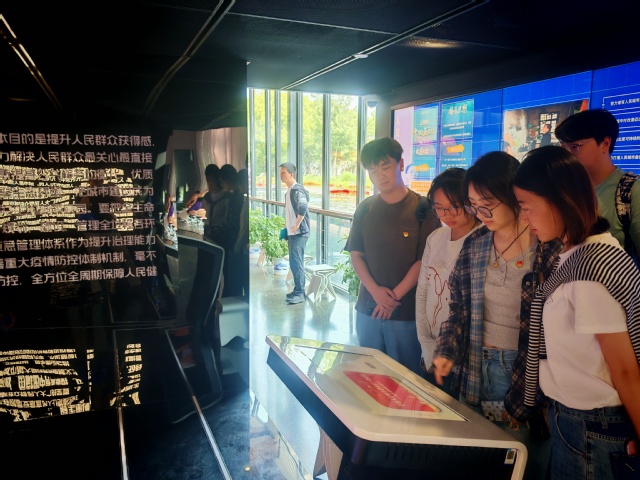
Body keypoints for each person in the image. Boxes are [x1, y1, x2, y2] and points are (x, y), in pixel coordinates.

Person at [512, 145, 640, 480]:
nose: (524, 219)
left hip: (594, 427)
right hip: (578, 421)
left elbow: (625, 369)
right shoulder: (578, 253)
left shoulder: (590, 269)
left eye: (526, 207)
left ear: (559, 200)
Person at [432, 151, 552, 480]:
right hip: (474, 363)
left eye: (487, 204)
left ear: (513, 195)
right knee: (475, 458)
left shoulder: (546, 247)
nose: (480, 214)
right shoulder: (477, 244)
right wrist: (446, 351)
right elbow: (458, 308)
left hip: (522, 372)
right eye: (473, 205)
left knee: (516, 461)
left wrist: (532, 397)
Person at [345, 137, 440, 376]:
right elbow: (356, 254)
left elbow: (424, 261)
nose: (379, 175)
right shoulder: (365, 208)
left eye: (385, 166)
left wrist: (392, 297)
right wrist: (376, 292)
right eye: (372, 170)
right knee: (368, 374)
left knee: (405, 377)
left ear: (401, 164)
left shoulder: (423, 208)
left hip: (406, 312)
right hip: (368, 308)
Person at [415, 167, 481, 395]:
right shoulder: (436, 237)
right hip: (430, 349)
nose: (447, 214)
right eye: (439, 208)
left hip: (462, 356)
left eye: (455, 206)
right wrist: (425, 343)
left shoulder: (482, 241)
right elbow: (423, 291)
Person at [555, 109, 640, 257]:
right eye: (563, 147)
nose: (567, 155)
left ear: (605, 144)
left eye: (575, 147)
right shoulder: (565, 188)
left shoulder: (631, 190)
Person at [279, 162, 310, 305]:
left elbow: (302, 207)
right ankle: (297, 290)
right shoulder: (290, 190)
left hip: (299, 233)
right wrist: (288, 229)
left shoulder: (296, 190)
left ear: (291, 174)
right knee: (294, 262)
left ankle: (300, 293)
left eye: (283, 173)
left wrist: (296, 225)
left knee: (296, 262)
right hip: (294, 233)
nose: (281, 175)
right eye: (280, 173)